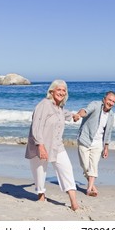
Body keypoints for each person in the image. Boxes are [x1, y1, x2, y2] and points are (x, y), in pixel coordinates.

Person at [25, 80, 79, 211]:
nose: (61, 92)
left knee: (67, 169)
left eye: (64, 90)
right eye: (59, 89)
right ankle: (41, 195)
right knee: (39, 172)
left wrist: (75, 115)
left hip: (57, 145)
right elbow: (36, 127)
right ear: (51, 91)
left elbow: (65, 115)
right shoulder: (44, 105)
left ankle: (74, 202)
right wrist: (40, 145)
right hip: (41, 144)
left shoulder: (59, 108)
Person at [73, 91, 115, 197]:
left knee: (93, 166)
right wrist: (79, 115)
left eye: (113, 102)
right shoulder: (95, 105)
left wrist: (106, 147)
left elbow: (108, 132)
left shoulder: (111, 115)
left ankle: (88, 189)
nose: (111, 103)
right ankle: (92, 186)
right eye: (110, 100)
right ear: (104, 99)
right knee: (85, 165)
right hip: (85, 139)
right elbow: (85, 111)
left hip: (98, 143)